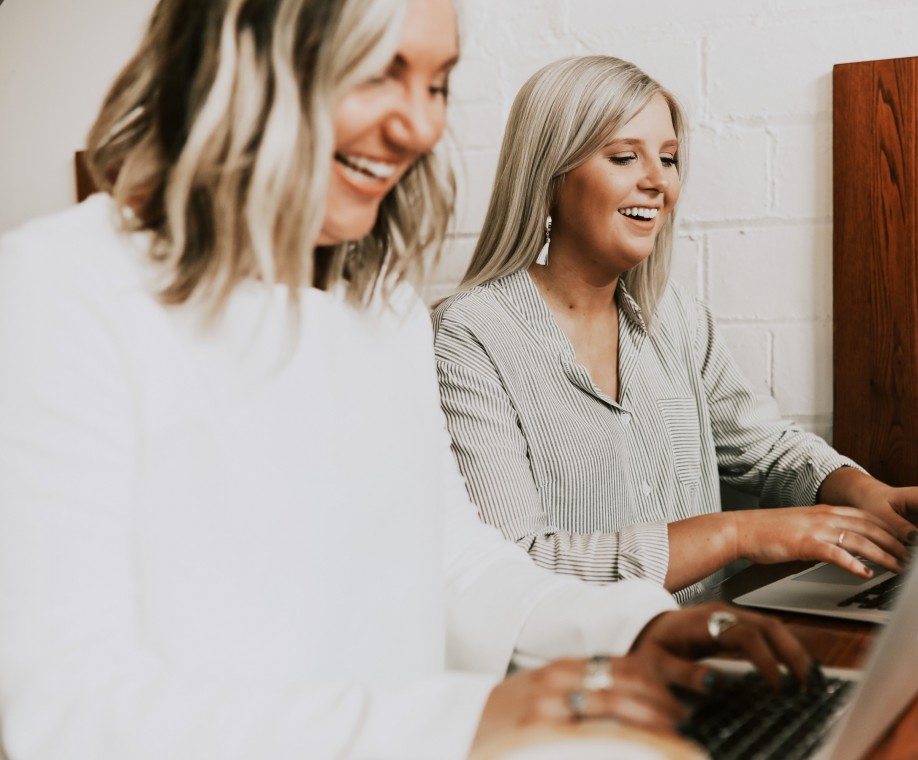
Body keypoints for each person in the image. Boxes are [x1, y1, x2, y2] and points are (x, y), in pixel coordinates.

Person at [0, 4, 813, 759]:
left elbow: (456, 563)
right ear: (242, 56)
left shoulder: (380, 306)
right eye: (376, 72)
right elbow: (63, 712)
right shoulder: (59, 289)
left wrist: (632, 628)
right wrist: (462, 722)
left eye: (437, 84)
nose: (421, 125)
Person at [432, 55, 918, 599]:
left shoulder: (676, 319)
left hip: (708, 637)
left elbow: (767, 449)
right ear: (549, 176)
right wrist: (737, 534)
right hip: (586, 652)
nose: (659, 181)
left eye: (669, 159)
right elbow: (516, 566)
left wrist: (867, 494)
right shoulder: (468, 336)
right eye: (624, 157)